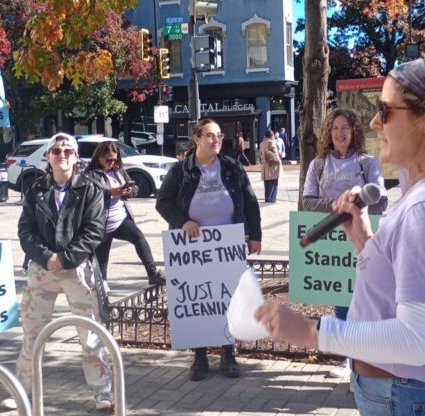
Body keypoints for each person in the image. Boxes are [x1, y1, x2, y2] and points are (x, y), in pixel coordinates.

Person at [256, 57, 425, 416]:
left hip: (415, 398)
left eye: (386, 111)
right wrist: (364, 241)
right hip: (415, 396)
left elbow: (415, 340)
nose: (374, 122)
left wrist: (310, 331)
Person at [8, 133, 114, 411]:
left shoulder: (90, 188)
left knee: (91, 336)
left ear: (77, 158)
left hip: (77, 270)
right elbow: (25, 230)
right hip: (42, 271)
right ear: (48, 157)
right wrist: (46, 257)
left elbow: (95, 231)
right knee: (32, 333)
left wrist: (66, 258)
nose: (62, 155)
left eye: (68, 151)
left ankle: (103, 392)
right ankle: (23, 390)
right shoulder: (35, 189)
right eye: (56, 150)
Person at [156, 118, 263, 381]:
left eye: (218, 135)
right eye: (209, 135)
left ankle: (228, 353)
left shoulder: (231, 167)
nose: (215, 140)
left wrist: (255, 235)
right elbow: (163, 203)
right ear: (196, 139)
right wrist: (183, 222)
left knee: (228, 300)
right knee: (199, 301)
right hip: (193, 248)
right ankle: (200, 356)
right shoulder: (181, 171)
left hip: (227, 246)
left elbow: (249, 202)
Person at [301, 107, 387, 379]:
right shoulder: (318, 164)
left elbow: (381, 199)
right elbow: (307, 201)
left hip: (362, 238)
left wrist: (358, 202)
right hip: (333, 241)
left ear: (354, 132)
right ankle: (347, 359)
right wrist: (340, 205)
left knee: (365, 297)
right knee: (341, 299)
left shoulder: (367, 163)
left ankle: (365, 357)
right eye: (335, 128)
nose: (340, 133)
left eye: (345, 128)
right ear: (328, 132)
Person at [88, 140, 164, 286]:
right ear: (99, 157)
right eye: (108, 160)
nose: (111, 163)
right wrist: (109, 193)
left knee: (139, 237)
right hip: (101, 224)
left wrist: (130, 190)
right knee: (102, 263)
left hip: (120, 219)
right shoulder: (91, 174)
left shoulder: (118, 171)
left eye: (114, 160)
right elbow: (88, 196)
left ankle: (152, 273)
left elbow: (134, 187)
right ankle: (102, 296)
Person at [260, 130, 281, 203]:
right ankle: (272, 199)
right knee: (273, 183)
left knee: (267, 185)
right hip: (272, 166)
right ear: (271, 135)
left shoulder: (261, 143)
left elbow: (260, 155)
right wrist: (279, 162)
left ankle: (267, 199)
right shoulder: (271, 142)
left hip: (264, 166)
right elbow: (275, 153)